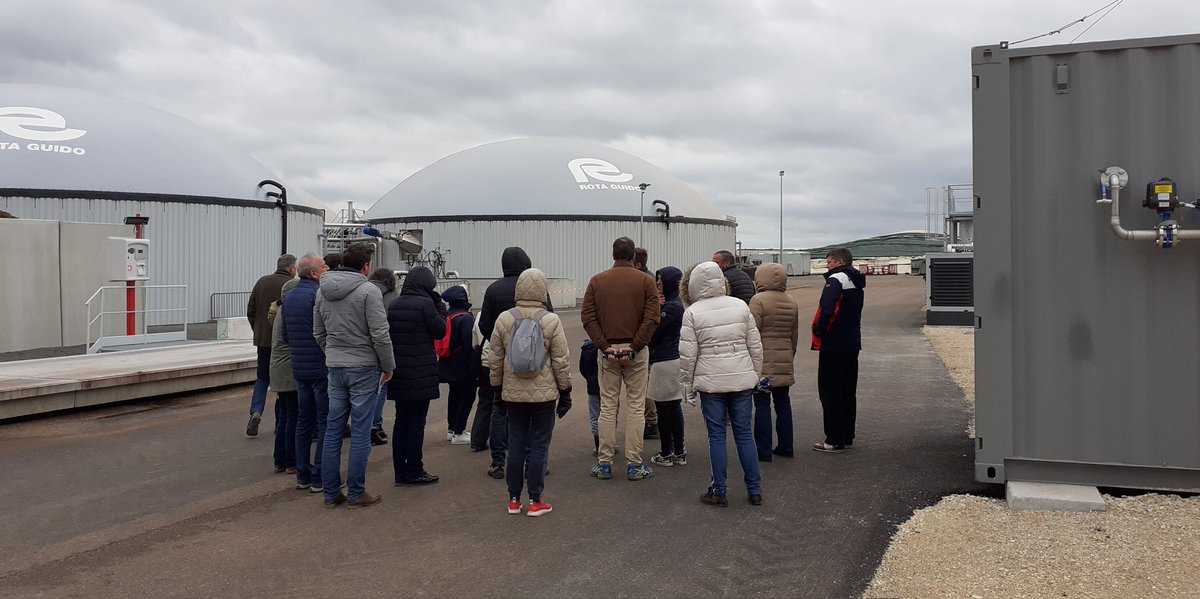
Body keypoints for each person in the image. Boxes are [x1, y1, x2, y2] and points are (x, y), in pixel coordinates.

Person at [313, 242, 394, 508]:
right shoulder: (369, 291)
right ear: (366, 266)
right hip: (364, 367)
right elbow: (380, 334)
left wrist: (332, 353)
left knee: (333, 429)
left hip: (335, 367)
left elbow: (319, 332)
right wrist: (388, 365)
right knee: (360, 431)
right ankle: (357, 491)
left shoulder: (322, 291)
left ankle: (330, 492)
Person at [679, 261, 765, 508]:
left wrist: (688, 385)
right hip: (741, 379)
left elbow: (688, 355)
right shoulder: (740, 306)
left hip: (711, 383)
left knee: (716, 437)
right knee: (744, 435)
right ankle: (755, 489)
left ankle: (719, 490)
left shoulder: (693, 312)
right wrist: (754, 374)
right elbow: (755, 347)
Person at [488, 268, 572, 516]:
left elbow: (494, 358)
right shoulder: (551, 320)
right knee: (538, 445)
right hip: (544, 395)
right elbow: (561, 361)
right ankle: (536, 500)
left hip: (512, 394)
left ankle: (514, 500)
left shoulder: (504, 319)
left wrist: (497, 389)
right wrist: (565, 390)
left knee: (515, 443)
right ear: (543, 290)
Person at [581, 236, 660, 481]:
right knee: (636, 407)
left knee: (608, 406)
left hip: (608, 352)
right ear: (633, 256)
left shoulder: (597, 281)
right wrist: (635, 346)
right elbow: (652, 318)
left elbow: (588, 317)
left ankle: (604, 463)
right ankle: (634, 464)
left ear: (613, 254)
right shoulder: (646, 282)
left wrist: (604, 346)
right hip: (636, 351)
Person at [474, 246, 554, 480]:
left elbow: (484, 325)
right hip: (535, 364)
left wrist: (505, 345)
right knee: (532, 414)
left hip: (503, 362)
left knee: (499, 411)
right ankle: (534, 463)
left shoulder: (493, 289)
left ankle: (498, 462)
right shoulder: (539, 290)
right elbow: (549, 321)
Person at [386, 266, 447, 485]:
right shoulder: (426, 305)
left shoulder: (394, 304)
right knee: (417, 423)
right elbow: (440, 330)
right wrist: (439, 305)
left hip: (399, 372)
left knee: (401, 421)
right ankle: (414, 469)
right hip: (421, 373)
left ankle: (400, 471)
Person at [811, 248, 866, 454]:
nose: (827, 265)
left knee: (830, 391)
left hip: (833, 343)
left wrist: (819, 330)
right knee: (847, 391)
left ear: (840, 262)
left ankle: (833, 439)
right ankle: (846, 435)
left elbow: (828, 308)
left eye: (829, 262)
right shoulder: (856, 280)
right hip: (852, 342)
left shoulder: (836, 280)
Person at [281, 253, 328, 494]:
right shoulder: (318, 296)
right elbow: (326, 331)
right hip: (320, 367)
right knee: (324, 422)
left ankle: (303, 474)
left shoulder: (289, 297)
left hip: (299, 367)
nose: (327, 269)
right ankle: (320, 476)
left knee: (303, 422)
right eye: (323, 267)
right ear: (313, 273)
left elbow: (285, 335)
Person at [749, 263, 800, 461]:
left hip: (763, 361)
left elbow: (752, 332)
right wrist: (789, 355)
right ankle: (786, 446)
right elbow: (794, 335)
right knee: (783, 404)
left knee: (762, 405)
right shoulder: (791, 302)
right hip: (784, 358)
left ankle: (763, 450)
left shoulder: (758, 300)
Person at [245, 254, 296, 436]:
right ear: (291, 268)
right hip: (284, 342)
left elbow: (251, 310)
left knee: (262, 378)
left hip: (263, 341)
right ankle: (279, 423)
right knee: (282, 383)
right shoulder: (292, 285)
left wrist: (258, 330)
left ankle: (256, 411)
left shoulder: (262, 282)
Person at [647, 266, 687, 467]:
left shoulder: (671, 307)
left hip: (664, 361)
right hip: (672, 360)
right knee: (673, 407)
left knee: (664, 409)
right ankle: (679, 451)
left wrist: (656, 309)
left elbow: (653, 334)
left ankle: (666, 452)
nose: (658, 284)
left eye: (661, 281)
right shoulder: (676, 304)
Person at [269, 277, 300, 477]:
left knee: (284, 416)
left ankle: (279, 460)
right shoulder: (290, 311)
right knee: (293, 417)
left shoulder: (279, 311)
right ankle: (291, 461)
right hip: (289, 369)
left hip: (278, 370)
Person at [439, 285, 476, 445]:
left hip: (449, 364)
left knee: (454, 395)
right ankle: (459, 432)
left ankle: (452, 429)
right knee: (468, 396)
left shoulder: (448, 316)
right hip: (463, 366)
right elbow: (470, 345)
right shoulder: (465, 318)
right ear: (462, 299)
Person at [367, 268, 400, 446]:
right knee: (382, 387)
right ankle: (375, 425)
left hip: (364, 347)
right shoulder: (393, 296)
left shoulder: (363, 291)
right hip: (386, 344)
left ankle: (366, 424)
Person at [633, 246, 659, 440]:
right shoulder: (648, 278)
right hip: (646, 340)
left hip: (643, 342)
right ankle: (651, 421)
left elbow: (648, 315)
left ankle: (651, 422)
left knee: (643, 385)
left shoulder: (644, 280)